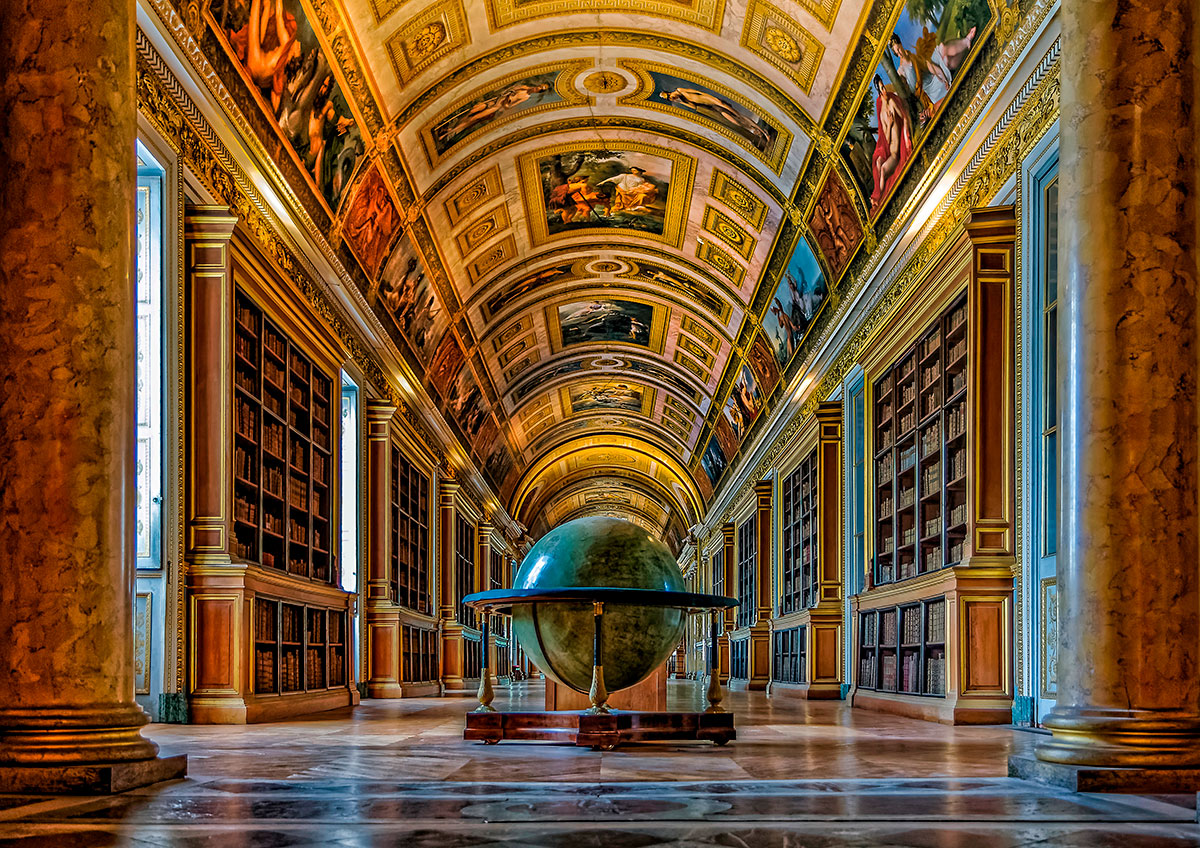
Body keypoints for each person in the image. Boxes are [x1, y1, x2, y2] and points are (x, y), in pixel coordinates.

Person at [660, 87, 771, 152]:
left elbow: (700, 93)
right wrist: (681, 102)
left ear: (669, 93)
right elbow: (694, 107)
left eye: (670, 97)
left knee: (739, 116)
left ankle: (763, 133)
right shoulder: (682, 99)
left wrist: (717, 100)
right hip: (714, 108)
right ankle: (755, 132)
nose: (672, 99)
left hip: (714, 101)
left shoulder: (680, 90)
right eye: (670, 99)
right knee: (737, 123)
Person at [869, 75, 913, 210]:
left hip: (895, 155)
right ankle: (878, 196)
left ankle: (880, 199)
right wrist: (889, 124)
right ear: (878, 91)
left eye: (884, 87)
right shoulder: (882, 112)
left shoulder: (892, 103)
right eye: (881, 89)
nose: (884, 91)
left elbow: (904, 118)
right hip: (890, 150)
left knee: (882, 169)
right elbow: (886, 139)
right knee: (877, 163)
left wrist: (906, 137)